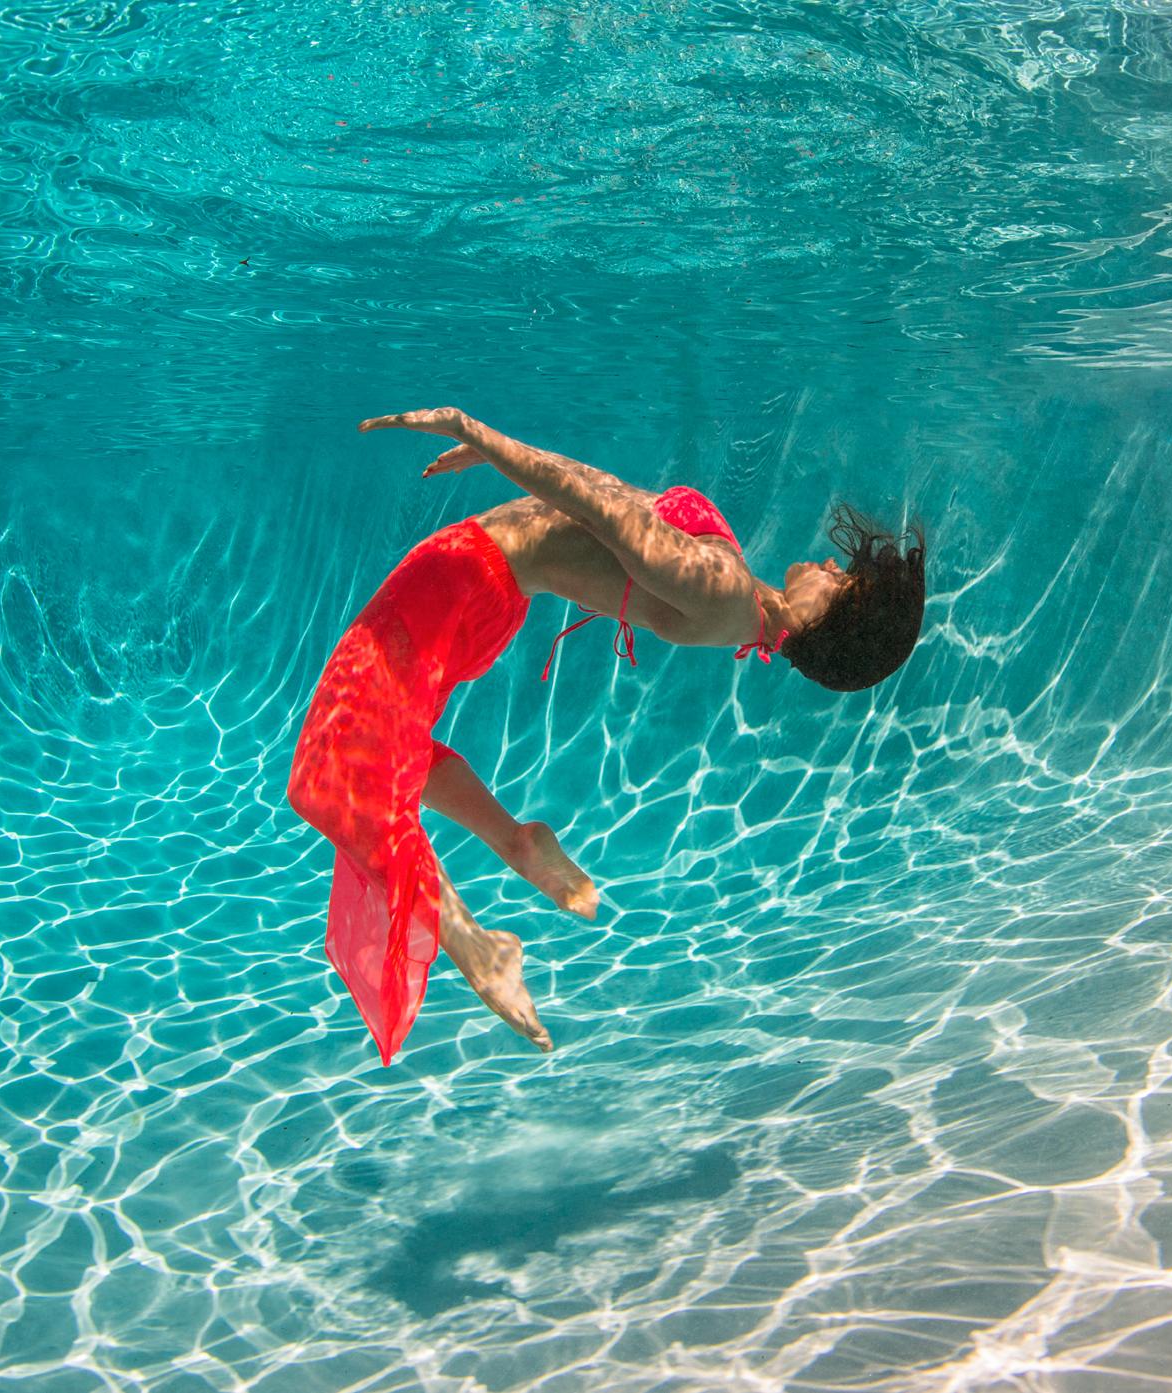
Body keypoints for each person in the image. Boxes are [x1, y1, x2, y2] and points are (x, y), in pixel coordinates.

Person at [286, 406, 927, 1063]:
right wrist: (504, 460)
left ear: (831, 618)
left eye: (840, 578)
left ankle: (477, 946)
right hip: (478, 579)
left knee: (328, 768)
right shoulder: (744, 597)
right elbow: (623, 498)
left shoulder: (723, 590)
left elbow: (600, 510)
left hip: (463, 577)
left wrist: (481, 434)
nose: (827, 560)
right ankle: (517, 839)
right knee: (390, 745)